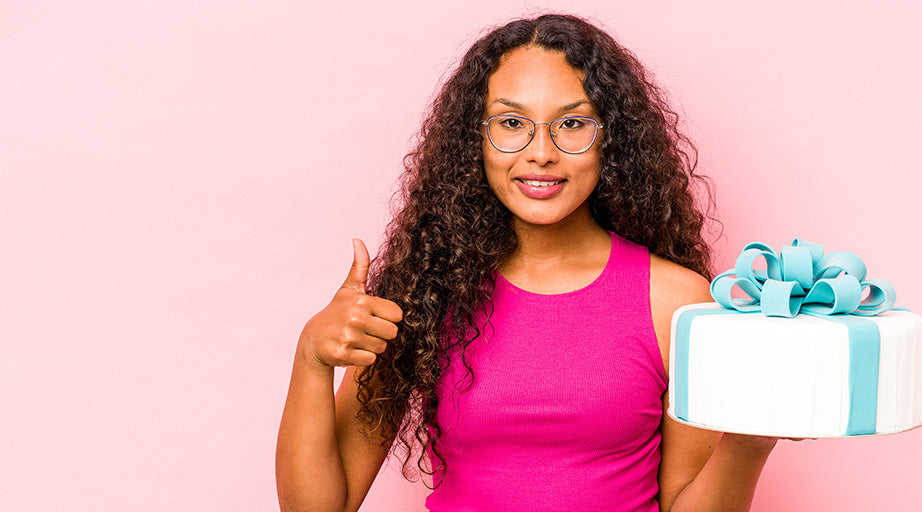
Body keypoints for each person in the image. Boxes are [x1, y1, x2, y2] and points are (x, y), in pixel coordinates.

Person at [276, 13, 779, 512]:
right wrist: (312, 359)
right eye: (512, 123)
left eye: (573, 123)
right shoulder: (421, 295)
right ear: (475, 139)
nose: (541, 153)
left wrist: (748, 443)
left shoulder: (677, 301)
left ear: (611, 139)